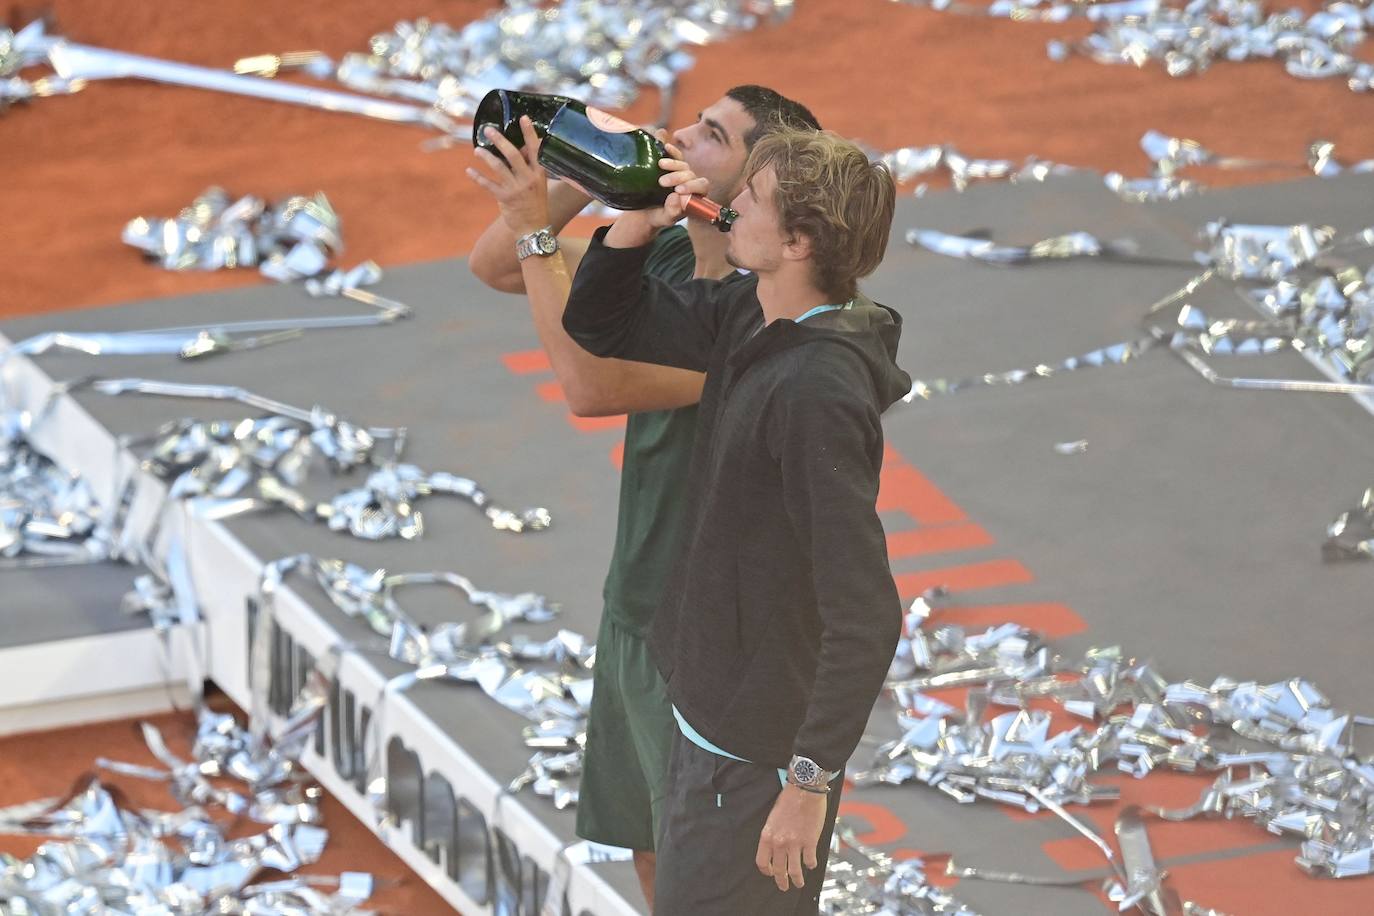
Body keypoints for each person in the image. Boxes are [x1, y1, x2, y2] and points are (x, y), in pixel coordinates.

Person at [465, 86, 821, 910]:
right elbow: (492, 268)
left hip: (704, 641)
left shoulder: (756, 316)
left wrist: (534, 225)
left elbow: (590, 385)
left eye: (710, 137)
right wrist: (595, 174)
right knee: (653, 852)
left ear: (756, 185)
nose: (679, 137)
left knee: (712, 880)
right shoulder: (660, 248)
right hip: (637, 600)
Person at [561, 127, 908, 915]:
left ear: (798, 240)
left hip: (753, 769)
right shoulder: (753, 316)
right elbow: (602, 327)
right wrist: (635, 224)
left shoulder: (817, 391)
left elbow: (865, 613)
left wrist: (807, 786)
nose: (725, 206)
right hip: (708, 729)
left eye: (749, 200)